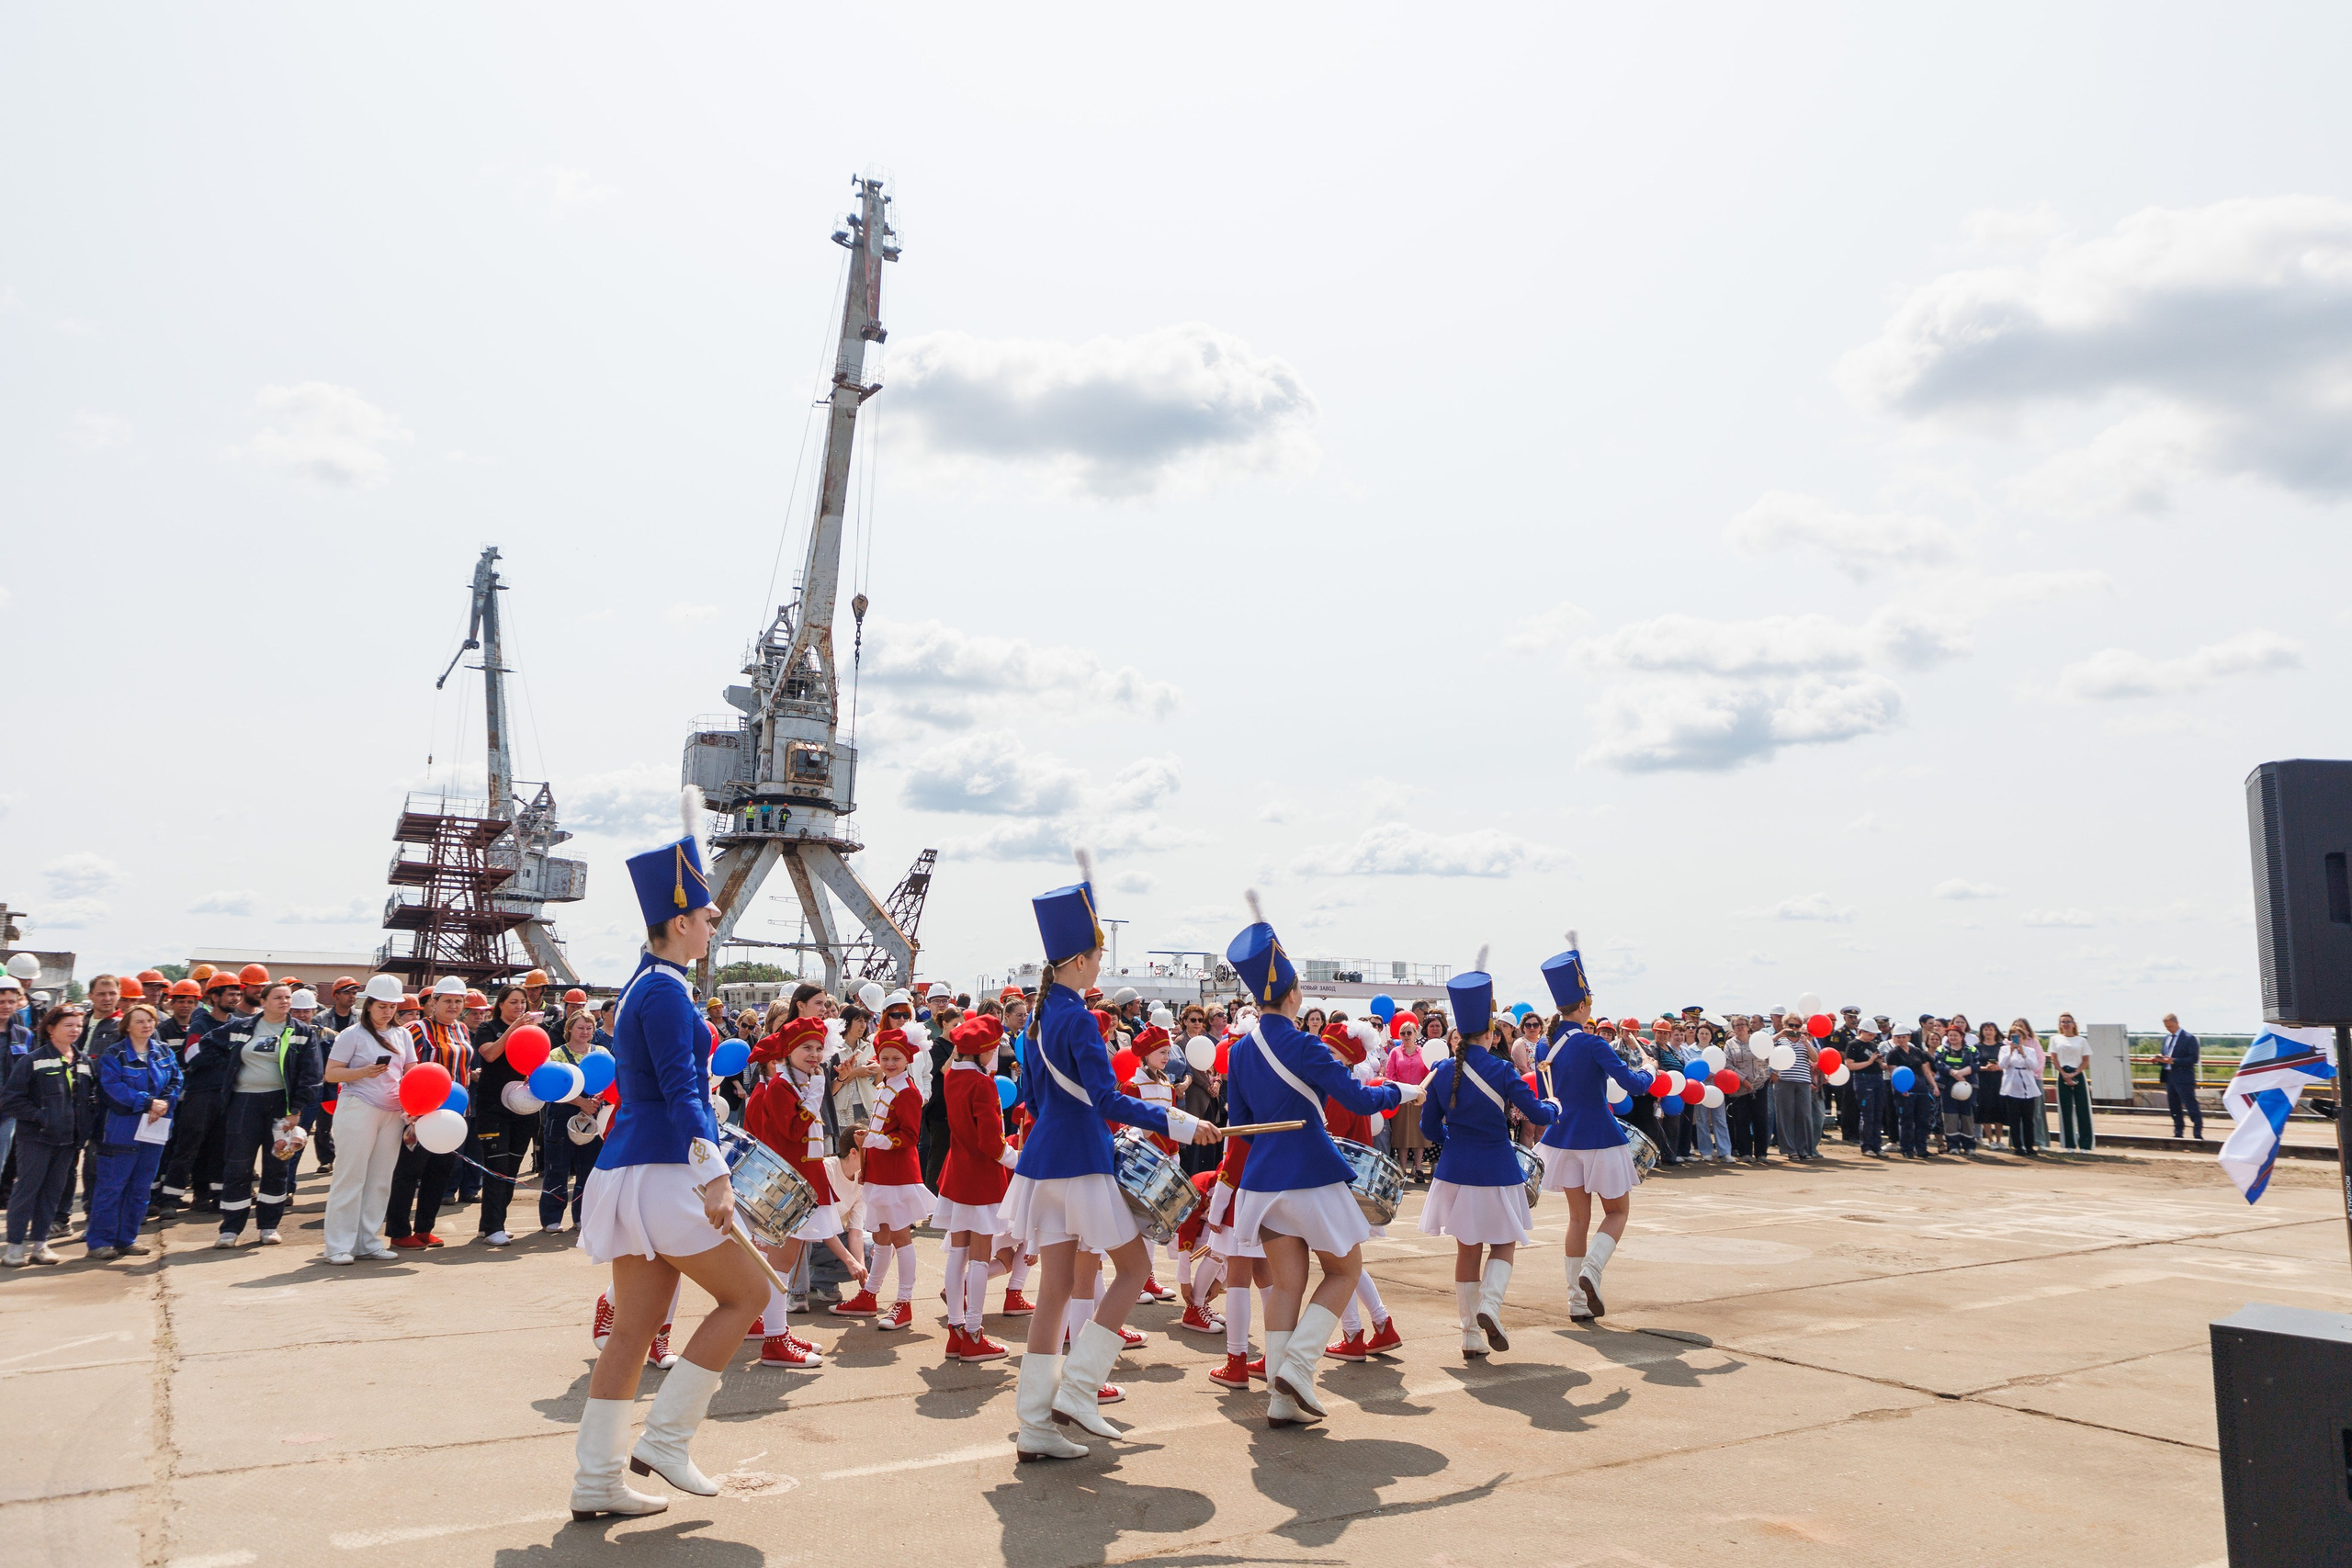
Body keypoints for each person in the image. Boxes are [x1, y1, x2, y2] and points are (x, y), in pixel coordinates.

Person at [569, 806, 768, 1522]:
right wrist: (714, 1171)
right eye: (709, 917)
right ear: (681, 921)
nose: (715, 927)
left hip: (635, 1168)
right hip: (662, 1170)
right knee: (749, 1295)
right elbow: (684, 1091)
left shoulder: (646, 984)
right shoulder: (664, 989)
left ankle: (596, 1480)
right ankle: (668, 1438)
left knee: (632, 1328)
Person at [997, 856, 1220, 1461]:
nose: (1101, 963)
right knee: (1131, 1267)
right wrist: (1178, 1119)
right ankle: (1080, 1387)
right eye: (1096, 955)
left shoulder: (1036, 1022)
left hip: (1042, 1163)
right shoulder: (1080, 1020)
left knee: (1055, 1290)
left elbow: (1041, 1099)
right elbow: (1104, 1099)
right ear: (1077, 962)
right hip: (1082, 1162)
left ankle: (1035, 1425)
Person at [1221, 893, 1414, 1428]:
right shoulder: (1306, 1046)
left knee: (1286, 1284)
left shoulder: (1238, 1050)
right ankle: (1300, 1367)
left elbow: (1240, 1120)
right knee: (1346, 1268)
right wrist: (1402, 1093)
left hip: (1261, 1184)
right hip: (1308, 1172)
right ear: (1291, 992)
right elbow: (1357, 1099)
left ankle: (1281, 1399)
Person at [1419, 958, 1557, 1359]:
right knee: (1504, 1244)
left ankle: (1469, 1336)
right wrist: (1556, 1107)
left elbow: (1430, 1129)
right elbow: (1536, 1113)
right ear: (1492, 1034)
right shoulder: (1501, 1070)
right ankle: (1491, 1307)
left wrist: (1454, 1139)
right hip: (1496, 1166)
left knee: (1467, 1250)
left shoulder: (1444, 1070)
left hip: (1456, 1171)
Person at [1532, 939, 1655, 1318]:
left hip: (1563, 1139)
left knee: (1576, 1219)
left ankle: (1576, 1302)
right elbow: (1633, 1085)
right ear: (1583, 1004)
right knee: (1617, 1212)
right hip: (1599, 1137)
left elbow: (1545, 1096)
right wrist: (1651, 1066)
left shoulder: (1542, 1047)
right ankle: (1592, 1269)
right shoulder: (1591, 1043)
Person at [740, 1016, 865, 1371]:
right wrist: (811, 1099)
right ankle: (775, 1340)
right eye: (805, 1049)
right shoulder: (782, 1087)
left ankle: (777, 1333)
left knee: (785, 1262)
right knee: (781, 1264)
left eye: (817, 1048)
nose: (813, 1055)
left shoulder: (801, 1083)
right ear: (788, 1052)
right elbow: (793, 1132)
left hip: (804, 1181)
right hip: (789, 1186)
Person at [212, 983, 322, 1247]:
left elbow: (312, 1074)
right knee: (238, 1166)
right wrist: (221, 1076)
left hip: (280, 1106)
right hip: (243, 1103)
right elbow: (208, 1045)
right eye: (278, 997)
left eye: (287, 998)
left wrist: (296, 1109)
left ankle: (269, 1226)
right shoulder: (241, 1026)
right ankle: (230, 1229)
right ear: (263, 1001)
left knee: (276, 1165)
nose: (284, 1001)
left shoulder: (302, 1031)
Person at [935, 1013, 1017, 1363]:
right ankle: (973, 1333)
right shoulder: (983, 1083)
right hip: (982, 1177)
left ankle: (957, 1332)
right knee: (980, 1259)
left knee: (958, 1255)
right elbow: (991, 1142)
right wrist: (1019, 1159)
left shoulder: (952, 1076)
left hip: (957, 1174)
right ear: (984, 1052)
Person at [319, 976, 416, 1263]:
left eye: (392, 1006)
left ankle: (368, 1242)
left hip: (393, 1111)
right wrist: (364, 1072)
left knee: (381, 1179)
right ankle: (337, 1245)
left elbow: (410, 1072)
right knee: (350, 1177)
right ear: (370, 1004)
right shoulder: (352, 1034)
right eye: (382, 1005)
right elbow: (331, 1073)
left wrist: (413, 1105)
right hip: (358, 1107)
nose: (388, 1011)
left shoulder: (403, 1035)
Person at [86, 1002, 181, 1259]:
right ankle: (100, 1242)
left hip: (154, 1129)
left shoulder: (162, 1052)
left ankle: (126, 1239)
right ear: (127, 1026)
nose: (146, 1025)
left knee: (140, 1189)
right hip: (120, 1132)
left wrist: (164, 1103)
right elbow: (112, 1090)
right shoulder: (114, 1055)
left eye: (150, 1020)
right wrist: (147, 1102)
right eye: (139, 1021)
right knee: (111, 1188)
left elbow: (176, 1079)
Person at [855, 1026, 933, 1331]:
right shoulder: (884, 1086)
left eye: (896, 1058)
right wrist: (869, 1146)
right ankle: (870, 1294)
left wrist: (877, 1141)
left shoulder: (908, 1091)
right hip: (880, 1171)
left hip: (898, 1173)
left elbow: (911, 1136)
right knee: (881, 1234)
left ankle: (904, 1302)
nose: (889, 1063)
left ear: (907, 1059)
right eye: (885, 1057)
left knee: (900, 1237)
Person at [387, 980, 472, 1249]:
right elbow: (399, 1065)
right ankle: (399, 1231)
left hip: (452, 1114)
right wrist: (409, 1106)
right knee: (409, 1172)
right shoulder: (416, 1028)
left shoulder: (462, 1029)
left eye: (458, 1001)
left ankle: (425, 1229)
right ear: (433, 1002)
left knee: (441, 1171)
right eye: (447, 1001)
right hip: (422, 1112)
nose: (453, 1006)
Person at [4, 1006, 85, 1265]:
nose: (75, 1030)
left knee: (53, 1192)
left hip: (67, 1141)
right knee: (27, 1190)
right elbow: (10, 1100)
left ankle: (41, 1245)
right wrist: (42, 1117)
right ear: (51, 1029)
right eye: (68, 1025)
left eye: (78, 1026)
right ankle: (14, 1247)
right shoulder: (32, 1060)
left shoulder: (83, 1062)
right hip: (36, 1139)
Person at [540, 1009, 610, 1234]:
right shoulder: (556, 1055)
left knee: (588, 1169)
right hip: (561, 1115)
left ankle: (583, 1215)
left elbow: (610, 1079)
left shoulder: (601, 1052)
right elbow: (552, 1086)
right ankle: (551, 1218)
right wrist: (580, 1102)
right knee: (557, 1167)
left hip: (594, 1116)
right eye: (580, 1027)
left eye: (589, 1028)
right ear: (569, 1028)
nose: (585, 1032)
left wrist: (598, 1099)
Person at [1383, 1015, 1432, 1181]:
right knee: (1402, 1134)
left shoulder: (1424, 1053)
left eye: (1409, 1032)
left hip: (1419, 1097)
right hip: (1402, 1097)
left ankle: (1418, 1169)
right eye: (1402, 1033)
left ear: (1416, 1033)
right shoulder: (1395, 1053)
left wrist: (1421, 1092)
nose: (1406, 1036)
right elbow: (1390, 1076)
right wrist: (1400, 1091)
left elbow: (1428, 1075)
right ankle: (1402, 1169)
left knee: (1419, 1134)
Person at [1724, 1017, 1770, 1164]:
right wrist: (1743, 1079)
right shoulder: (1730, 1044)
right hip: (1740, 1088)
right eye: (1736, 1025)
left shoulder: (1758, 1040)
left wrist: (1773, 1073)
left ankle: (1761, 1153)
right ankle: (1745, 1153)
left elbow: (1770, 1058)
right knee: (1741, 1121)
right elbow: (1727, 1064)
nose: (1740, 1027)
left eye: (1742, 1025)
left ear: (1748, 1027)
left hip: (1760, 1086)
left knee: (1761, 1120)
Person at [1999, 1021, 2045, 1156]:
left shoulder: (2030, 1051)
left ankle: (2030, 1145)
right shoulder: (2004, 1050)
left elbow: (2034, 1066)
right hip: (2012, 1086)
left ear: (2024, 1038)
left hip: (2027, 1086)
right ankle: (2018, 1146)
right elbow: (2003, 1064)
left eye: (2019, 1036)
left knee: (2028, 1119)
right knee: (2014, 1119)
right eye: (2014, 1036)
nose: (2017, 1039)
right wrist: (2011, 1052)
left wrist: (2023, 1053)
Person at [2052, 1013, 2094, 1150]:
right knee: (2066, 1110)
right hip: (2062, 1073)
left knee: (2083, 1109)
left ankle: (2085, 1144)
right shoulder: (2055, 1039)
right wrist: (2063, 1074)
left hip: (2078, 1073)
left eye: (2069, 1022)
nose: (2066, 1024)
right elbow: (2054, 1058)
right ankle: (2069, 1143)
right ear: (2060, 1024)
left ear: (2074, 1024)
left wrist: (2075, 1073)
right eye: (2063, 1022)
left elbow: (2086, 1060)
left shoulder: (2081, 1041)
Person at [2159, 1013, 2203, 1138]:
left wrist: (2173, 1061)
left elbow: (2193, 1059)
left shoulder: (2189, 1038)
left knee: (2190, 1105)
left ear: (2177, 1023)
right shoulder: (2166, 1038)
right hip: (2169, 1076)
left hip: (2184, 1077)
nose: (2169, 1029)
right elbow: (2166, 1054)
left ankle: (2197, 1133)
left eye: (2171, 1026)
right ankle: (2178, 1132)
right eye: (2167, 1027)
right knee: (2174, 1106)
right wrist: (2160, 1059)